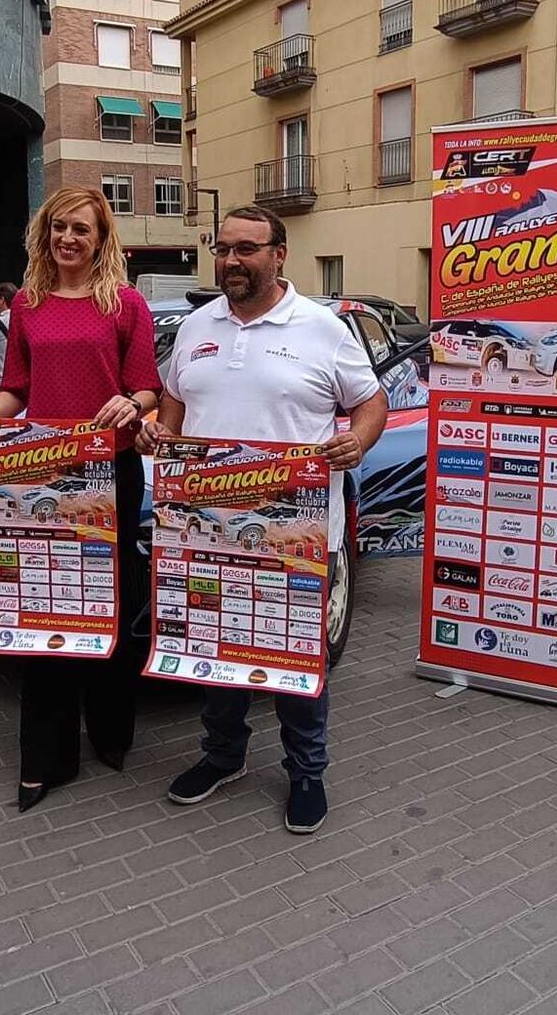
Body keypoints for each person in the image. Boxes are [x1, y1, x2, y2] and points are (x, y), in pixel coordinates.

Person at [138, 206, 388, 835]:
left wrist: (357, 441)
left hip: (293, 534)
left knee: (295, 661)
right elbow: (174, 404)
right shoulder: (197, 326)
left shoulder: (322, 328)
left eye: (247, 249)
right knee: (216, 654)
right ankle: (223, 758)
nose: (231, 261)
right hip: (205, 532)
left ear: (280, 255)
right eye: (222, 249)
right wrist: (157, 434)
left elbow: (371, 402)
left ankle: (307, 774)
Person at [0, 188, 160, 812]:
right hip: (41, 476)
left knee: (109, 606)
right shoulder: (29, 308)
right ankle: (46, 756)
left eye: (81, 230)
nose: (69, 239)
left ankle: (111, 735)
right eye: (59, 228)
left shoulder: (127, 305)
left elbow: (147, 387)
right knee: (44, 610)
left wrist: (131, 402)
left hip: (110, 472)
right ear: (46, 234)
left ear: (100, 239)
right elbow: (15, 391)